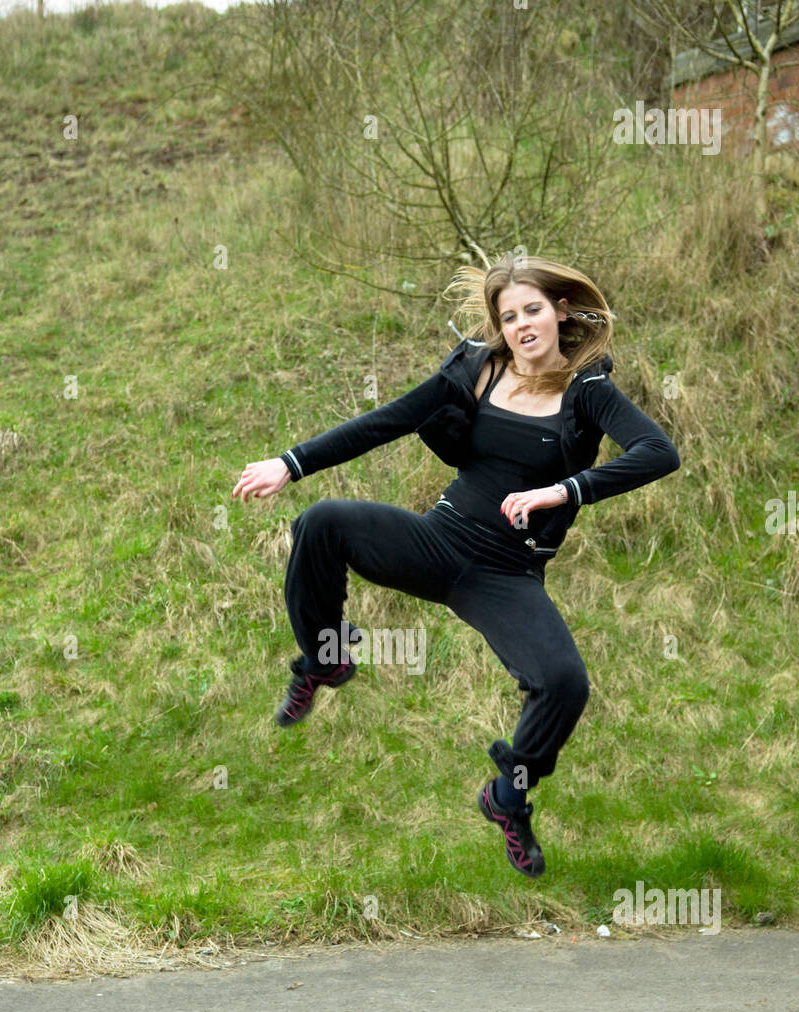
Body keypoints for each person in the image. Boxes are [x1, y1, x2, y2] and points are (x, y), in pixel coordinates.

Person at [231, 254, 680, 877]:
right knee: (322, 522)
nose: (522, 325)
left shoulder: (589, 391)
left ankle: (509, 796)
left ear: (561, 311)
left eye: (533, 310)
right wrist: (291, 463)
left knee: (564, 683)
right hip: (438, 539)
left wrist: (565, 491)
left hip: (505, 573)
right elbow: (387, 420)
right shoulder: (479, 368)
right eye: (509, 315)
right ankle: (325, 658)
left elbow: (660, 452)